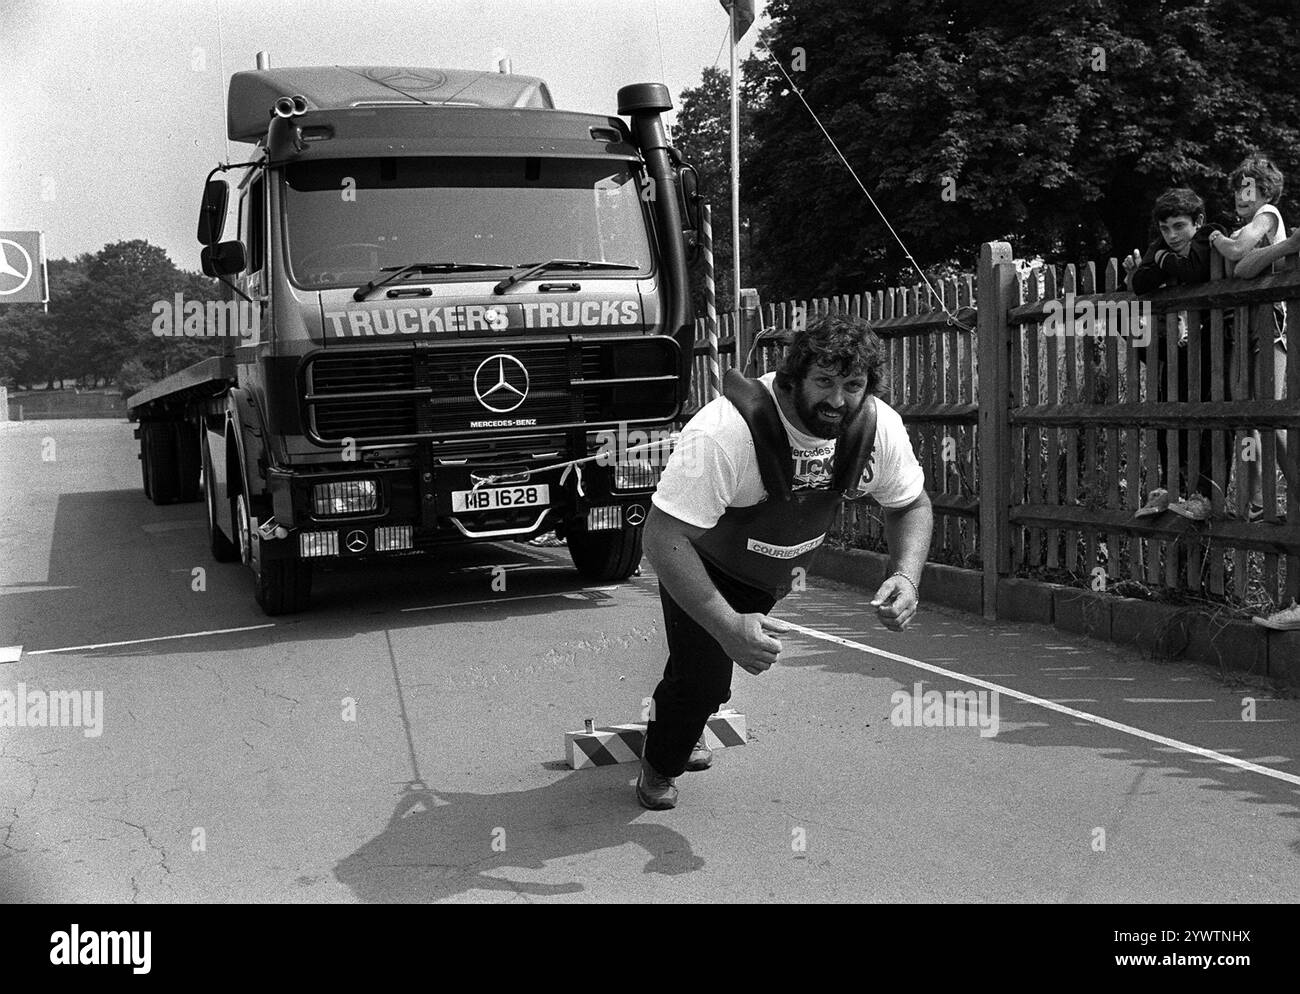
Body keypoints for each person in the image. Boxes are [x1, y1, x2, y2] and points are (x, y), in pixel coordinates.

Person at [636, 313, 933, 810]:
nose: (837, 401)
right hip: (698, 560)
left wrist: (906, 575)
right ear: (793, 377)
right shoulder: (724, 433)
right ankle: (658, 764)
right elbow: (663, 538)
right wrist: (727, 624)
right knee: (705, 676)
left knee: (707, 667)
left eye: (853, 385)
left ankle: (689, 715)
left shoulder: (878, 429)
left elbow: (911, 506)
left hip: (772, 574)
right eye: (824, 383)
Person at [1122, 187, 1225, 520]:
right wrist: (1164, 264)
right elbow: (1141, 282)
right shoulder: (1163, 245)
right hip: (1176, 348)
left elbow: (1194, 270)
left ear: (1197, 222)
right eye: (1165, 229)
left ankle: (1204, 496)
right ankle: (1170, 491)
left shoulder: (1210, 236)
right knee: (1170, 420)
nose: (1172, 235)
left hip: (1212, 345)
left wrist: (1163, 261)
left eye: (1179, 226)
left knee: (1208, 422)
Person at [1210, 153, 1292, 519]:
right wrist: (1227, 247)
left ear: (1265, 190)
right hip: (1238, 328)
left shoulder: (1268, 215)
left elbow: (1240, 256)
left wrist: (1221, 242)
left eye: (1248, 188)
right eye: (1237, 190)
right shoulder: (1243, 226)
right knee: (1245, 417)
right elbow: (1236, 263)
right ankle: (1256, 501)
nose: (1241, 196)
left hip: (1268, 324)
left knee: (1268, 416)